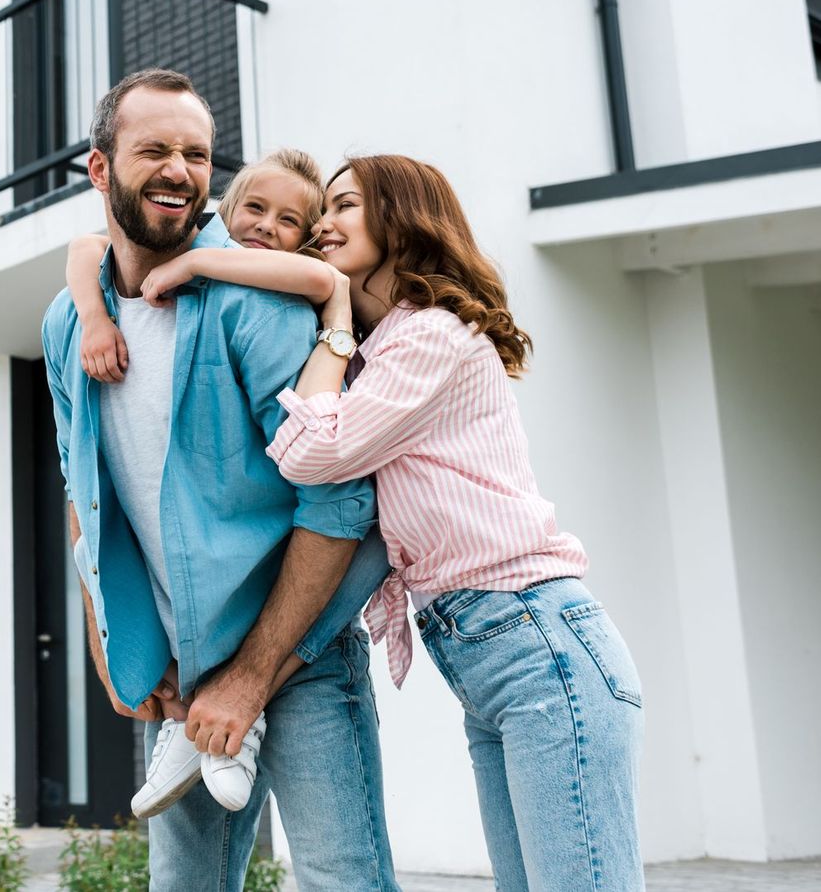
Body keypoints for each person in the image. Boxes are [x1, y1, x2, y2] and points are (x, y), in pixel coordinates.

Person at [140, 152, 644, 890]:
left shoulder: (429, 335)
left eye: (343, 206)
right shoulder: (384, 355)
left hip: (537, 641)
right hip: (488, 655)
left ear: (401, 218)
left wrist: (318, 314)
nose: (321, 225)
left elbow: (310, 454)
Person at [40, 68, 398, 892]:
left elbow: (340, 497)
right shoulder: (68, 321)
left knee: (343, 881)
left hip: (295, 652)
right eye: (154, 150)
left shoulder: (252, 299)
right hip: (181, 668)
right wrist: (107, 639)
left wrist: (253, 674)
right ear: (100, 170)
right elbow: (79, 492)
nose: (178, 170)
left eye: (195, 154)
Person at [65, 148, 352, 815]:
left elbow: (318, 281)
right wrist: (92, 316)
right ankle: (204, 724)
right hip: (181, 636)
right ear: (226, 207)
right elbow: (86, 245)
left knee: (338, 864)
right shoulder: (105, 299)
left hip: (291, 620)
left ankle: (239, 713)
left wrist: (192, 261)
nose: (266, 226)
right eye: (254, 208)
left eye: (289, 219)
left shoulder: (277, 291)